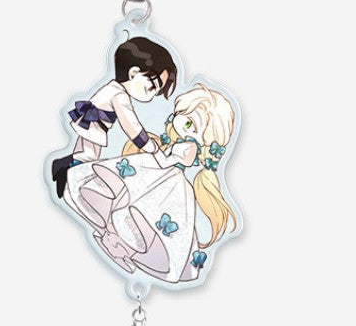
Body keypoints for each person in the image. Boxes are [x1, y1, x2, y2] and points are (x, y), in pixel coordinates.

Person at [64, 84, 236, 283]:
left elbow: (167, 161)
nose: (187, 129)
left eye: (195, 128)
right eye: (187, 120)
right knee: (126, 201)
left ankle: (123, 247)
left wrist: (156, 153)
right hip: (154, 169)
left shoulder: (189, 148)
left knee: (143, 215)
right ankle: (114, 239)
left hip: (166, 181)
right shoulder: (177, 143)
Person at [51, 37, 177, 198]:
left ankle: (65, 176)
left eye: (156, 92)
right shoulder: (119, 95)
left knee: (83, 153)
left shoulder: (113, 87)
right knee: (88, 157)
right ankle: (62, 167)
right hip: (94, 125)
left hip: (89, 122)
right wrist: (151, 147)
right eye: (152, 87)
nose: (151, 96)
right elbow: (131, 125)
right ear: (133, 73)